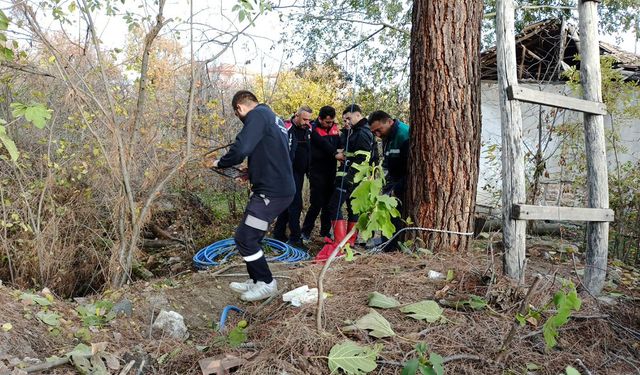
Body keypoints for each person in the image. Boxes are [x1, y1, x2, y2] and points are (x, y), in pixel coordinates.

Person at [212, 90, 295, 301]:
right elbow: (272, 154)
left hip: (271, 193)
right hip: (276, 190)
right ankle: (256, 280)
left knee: (245, 237)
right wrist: (251, 173)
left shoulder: (257, 115)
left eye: (238, 116)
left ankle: (267, 283)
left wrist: (220, 163)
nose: (241, 120)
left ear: (239, 108)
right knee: (253, 236)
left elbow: (242, 149)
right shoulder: (274, 119)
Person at [316, 104, 378, 261]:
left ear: (358, 115)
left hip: (352, 179)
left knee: (334, 206)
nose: (346, 123)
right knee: (352, 208)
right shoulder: (353, 132)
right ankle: (348, 242)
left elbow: (362, 159)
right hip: (349, 177)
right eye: (344, 120)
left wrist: (349, 179)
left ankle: (340, 242)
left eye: (349, 119)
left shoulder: (362, 133)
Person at [368, 110, 410, 252]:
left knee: (395, 214)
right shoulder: (388, 136)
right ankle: (386, 243)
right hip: (392, 179)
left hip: (404, 181)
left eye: (379, 130)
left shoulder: (404, 135)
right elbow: (387, 161)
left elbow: (410, 167)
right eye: (374, 132)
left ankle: (391, 247)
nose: (377, 135)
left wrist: (396, 187)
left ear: (390, 122)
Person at [272, 106, 313, 247]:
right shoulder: (286, 128)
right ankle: (295, 238)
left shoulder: (308, 130)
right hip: (286, 173)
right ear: (297, 115)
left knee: (287, 204)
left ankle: (278, 234)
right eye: (304, 119)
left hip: (300, 173)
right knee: (295, 204)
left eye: (309, 119)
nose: (307, 122)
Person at [301, 106, 341, 243]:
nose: (330, 124)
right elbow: (323, 143)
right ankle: (305, 232)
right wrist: (335, 153)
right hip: (317, 172)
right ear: (320, 119)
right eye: (327, 122)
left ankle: (325, 233)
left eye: (331, 122)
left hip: (331, 172)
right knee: (316, 203)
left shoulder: (335, 129)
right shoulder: (313, 129)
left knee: (328, 205)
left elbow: (340, 144)